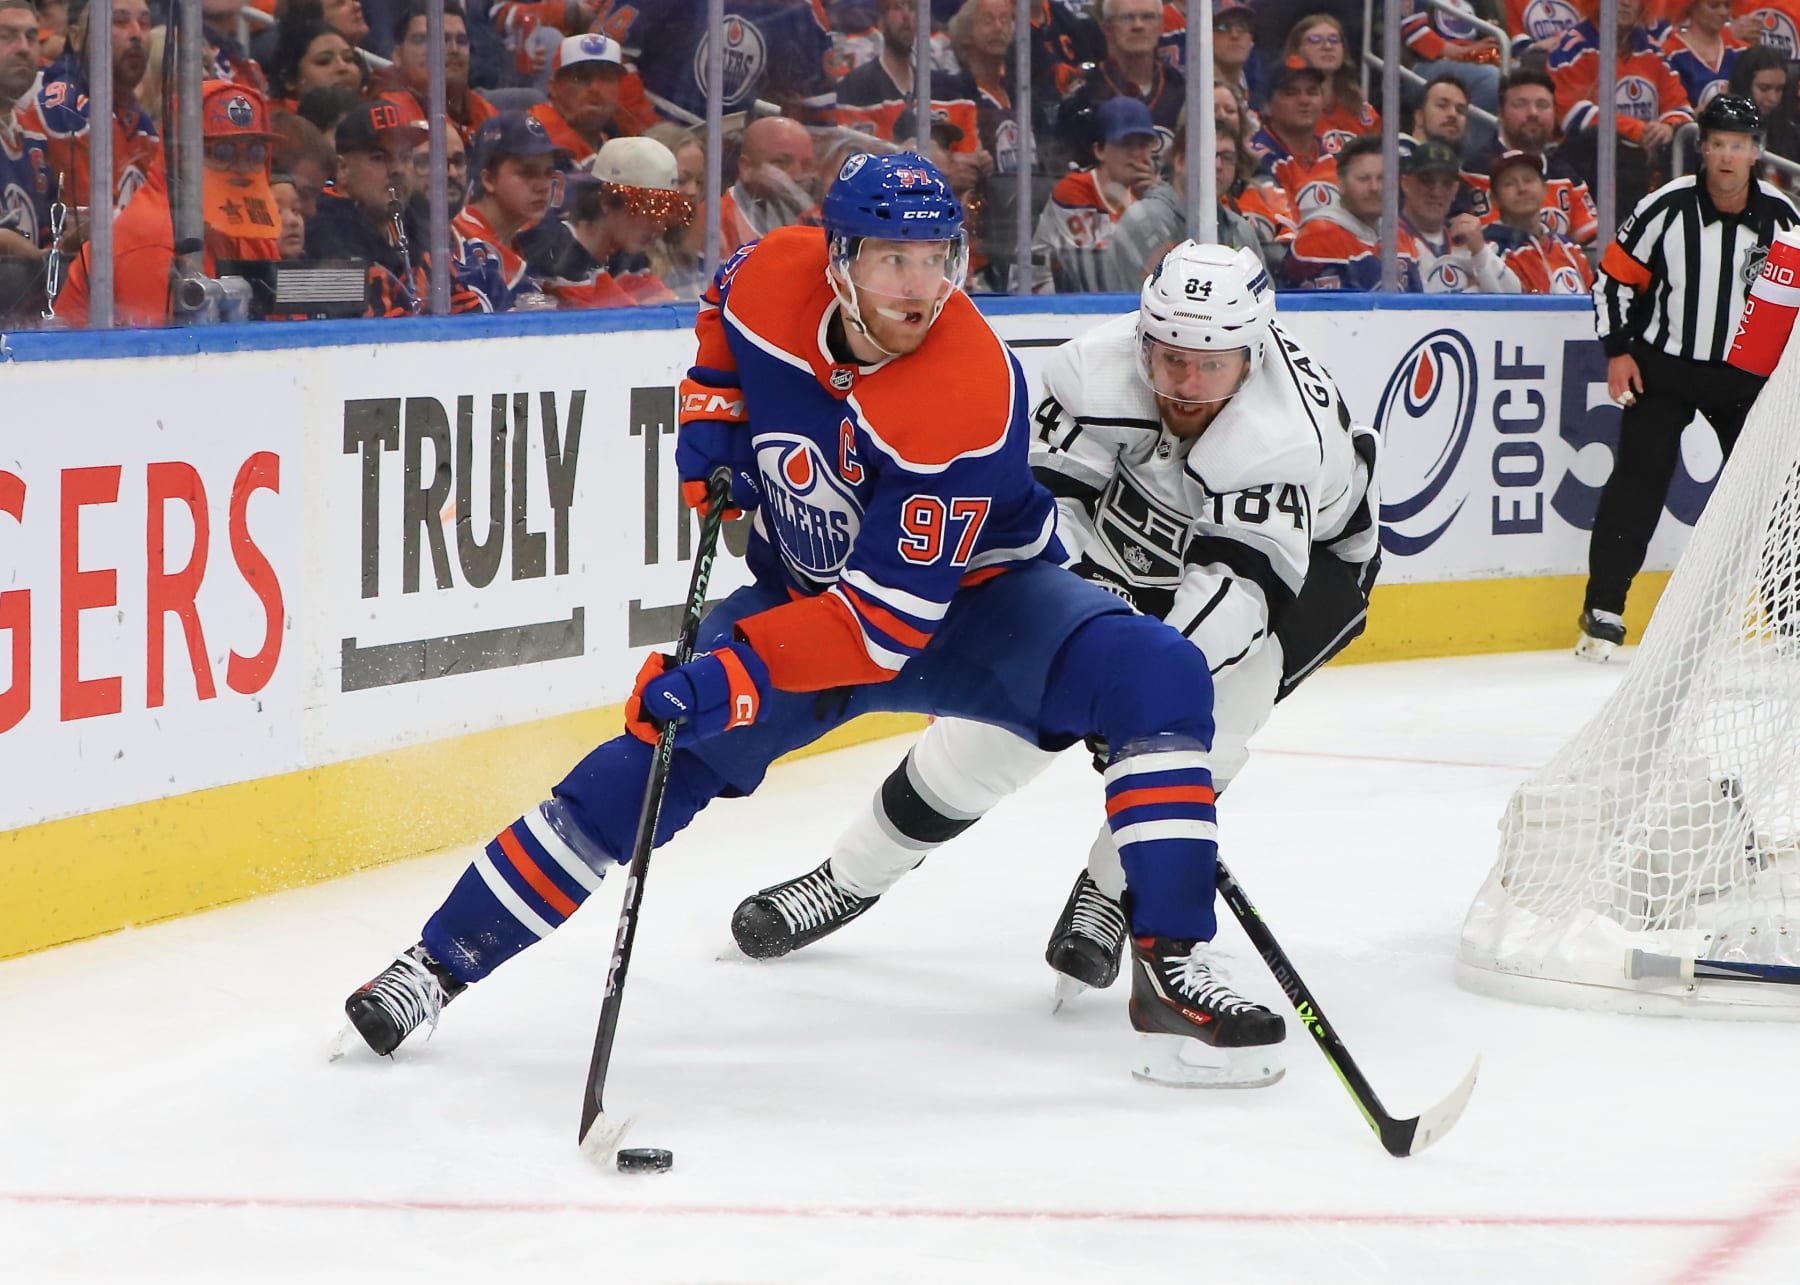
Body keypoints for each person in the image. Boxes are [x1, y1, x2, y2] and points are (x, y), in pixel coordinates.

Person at [342, 153, 1285, 1090]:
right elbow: (720, 313)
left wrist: (727, 672)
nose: (923, 290)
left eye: (939, 258)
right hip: (804, 600)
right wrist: (713, 428)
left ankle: (1170, 964)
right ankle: (434, 965)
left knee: (1156, 673)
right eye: (893, 260)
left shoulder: (963, 390)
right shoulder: (770, 272)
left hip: (983, 613)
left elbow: (879, 631)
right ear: (837, 261)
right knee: (646, 759)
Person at [726, 241, 1378, 1035]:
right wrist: (1085, 643)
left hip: (1301, 582)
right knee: (990, 734)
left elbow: (1234, 601)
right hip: (1128, 533)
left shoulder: (1282, 441)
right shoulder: (1089, 374)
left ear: (1255, 353)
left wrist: (1139, 693)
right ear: (1142, 337)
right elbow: (1046, 520)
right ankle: (847, 877)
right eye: (1169, 358)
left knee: (1203, 734)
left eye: (1210, 366)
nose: (1185, 383)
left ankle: (1108, 895)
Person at [1581, 94, 1800, 658]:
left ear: (1756, 153)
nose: (1727, 156)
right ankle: (1602, 610)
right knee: (1637, 482)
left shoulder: (1784, 219)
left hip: (1747, 380)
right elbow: (1612, 279)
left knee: (1774, 492)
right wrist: (1618, 350)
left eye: (1739, 146)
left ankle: (1786, 615)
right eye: (1718, 144)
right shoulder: (1665, 206)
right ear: (1702, 148)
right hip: (1664, 369)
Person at [56, 81, 282, 326]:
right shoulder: (151, 234)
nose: (241, 168)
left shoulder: (251, 229)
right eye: (222, 152)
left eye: (255, 153)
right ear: (180, 156)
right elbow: (159, 355)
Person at [25, 0, 161, 216]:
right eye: (119, 21)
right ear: (77, 39)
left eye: (145, 23)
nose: (136, 33)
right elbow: (87, 230)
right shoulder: (66, 107)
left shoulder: (139, 121)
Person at [1104, 120, 1269, 289]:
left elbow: (1266, 301)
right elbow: (1150, 304)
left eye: (1227, 158)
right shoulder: (1145, 220)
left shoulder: (1240, 230)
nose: (1218, 165)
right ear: (1180, 161)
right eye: (1208, 154)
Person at [535, 134, 690, 306]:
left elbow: (669, 308)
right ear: (607, 201)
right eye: (648, 211)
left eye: (665, 212)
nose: (660, 226)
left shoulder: (630, 259)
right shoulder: (556, 255)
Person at [1033, 94, 1157, 292]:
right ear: (1099, 150)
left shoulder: (1147, 197)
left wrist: (1152, 203)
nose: (1137, 154)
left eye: (1143, 144)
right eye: (1125, 143)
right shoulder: (1074, 190)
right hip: (1042, 295)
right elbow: (1087, 272)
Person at [1462, 68, 1599, 246]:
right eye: (1520, 104)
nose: (1533, 113)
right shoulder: (1474, 171)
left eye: (1542, 105)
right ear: (1501, 114)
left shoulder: (1566, 176)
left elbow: (1595, 246)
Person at [1283, 132, 1422, 290]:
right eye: (1363, 178)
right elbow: (1336, 312)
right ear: (1340, 184)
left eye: (1382, 178)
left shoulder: (1400, 235)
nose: (1374, 188)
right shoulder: (1318, 237)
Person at [1055, 0, 1185, 162]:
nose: (1138, 25)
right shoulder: (1085, 94)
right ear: (1107, 29)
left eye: (1148, 17)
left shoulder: (1180, 87)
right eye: (1127, 18)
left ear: (1160, 27)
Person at [452, 112, 558, 310]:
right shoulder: (460, 245)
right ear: (489, 180)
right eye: (527, 172)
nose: (543, 186)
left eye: (547, 173)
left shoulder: (523, 243)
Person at [1401, 139, 1517, 292]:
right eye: (1426, 181)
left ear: (1455, 189)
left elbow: (1515, 296)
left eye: (1447, 184)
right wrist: (1473, 289)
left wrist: (1480, 253)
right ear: (1405, 183)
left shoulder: (1468, 239)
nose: (1436, 192)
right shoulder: (1387, 238)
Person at [377, 2, 498, 144]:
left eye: (461, 41)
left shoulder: (484, 110)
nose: (453, 49)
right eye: (426, 40)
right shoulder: (388, 110)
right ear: (397, 55)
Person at [0, 0, 53, 320]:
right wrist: (35, 256)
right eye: (6, 36)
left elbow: (44, 232)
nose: (24, 48)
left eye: (31, 37)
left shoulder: (34, 138)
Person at [1481, 149, 1595, 293]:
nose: (1522, 189)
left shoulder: (1570, 249)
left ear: (1545, 188)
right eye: (1509, 184)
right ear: (1494, 199)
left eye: (1529, 179)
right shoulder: (1489, 252)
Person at [716, 113, 822, 257]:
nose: (797, 176)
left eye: (806, 165)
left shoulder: (816, 222)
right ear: (746, 168)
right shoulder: (712, 223)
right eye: (782, 162)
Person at [1250, 58, 1339, 218]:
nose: (1304, 100)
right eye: (1290, 93)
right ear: (1267, 106)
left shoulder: (1338, 155)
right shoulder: (1256, 159)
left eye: (1312, 92)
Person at [527, 32, 628, 166]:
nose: (595, 88)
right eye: (580, 78)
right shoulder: (535, 136)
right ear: (553, 88)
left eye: (606, 78)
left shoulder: (605, 141)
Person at [1283, 13, 1376, 154]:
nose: (1327, 46)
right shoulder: (1283, 107)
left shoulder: (1361, 110)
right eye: (1315, 40)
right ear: (1297, 50)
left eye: (1334, 40)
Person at [1401, 0, 1505, 116]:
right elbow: (1415, 35)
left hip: (1470, 61)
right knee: (1492, 78)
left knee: (1516, 74)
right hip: (1421, 66)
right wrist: (1464, 52)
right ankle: (1468, 133)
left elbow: (1494, 36)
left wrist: (1488, 51)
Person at [1661, 0, 1748, 112]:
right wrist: (1718, 103)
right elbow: (1673, 117)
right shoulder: (1669, 55)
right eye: (1714, 5)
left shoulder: (1742, 51)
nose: (1723, 12)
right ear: (1691, 6)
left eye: (1727, 5)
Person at [266, 20, 365, 112]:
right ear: (290, 79)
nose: (342, 67)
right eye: (324, 61)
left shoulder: (372, 113)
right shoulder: (271, 122)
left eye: (348, 59)